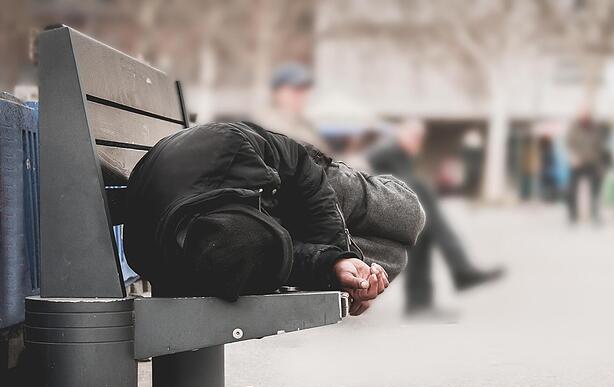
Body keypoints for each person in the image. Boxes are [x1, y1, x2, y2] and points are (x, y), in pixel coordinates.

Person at [124, 121, 391, 315]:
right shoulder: (154, 256)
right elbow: (277, 262)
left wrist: (338, 256)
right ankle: (354, 269)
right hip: (196, 202)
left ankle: (352, 266)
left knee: (403, 219)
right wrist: (334, 267)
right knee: (394, 248)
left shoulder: (235, 150)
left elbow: (300, 163)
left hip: (276, 175)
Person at [260, 62, 426, 282]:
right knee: (407, 216)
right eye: (295, 89)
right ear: (278, 92)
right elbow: (308, 168)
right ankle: (349, 275)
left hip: (315, 203)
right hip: (306, 199)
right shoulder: (270, 123)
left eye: (304, 90)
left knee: (395, 252)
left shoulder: (303, 123)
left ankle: (350, 277)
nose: (302, 95)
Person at [369, 119, 504, 315]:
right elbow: (394, 187)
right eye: (414, 137)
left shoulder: (398, 155)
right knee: (424, 210)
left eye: (420, 139)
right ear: (401, 135)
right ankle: (458, 271)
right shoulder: (388, 153)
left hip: (392, 209)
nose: (417, 143)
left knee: (425, 228)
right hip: (378, 211)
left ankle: (422, 301)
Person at [566, 112, 606, 224]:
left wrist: (600, 165)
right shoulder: (574, 127)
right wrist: (573, 156)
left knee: (595, 190)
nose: (586, 118)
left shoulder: (595, 128)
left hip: (592, 162)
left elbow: (600, 148)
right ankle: (572, 215)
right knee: (571, 190)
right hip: (577, 163)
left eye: (588, 116)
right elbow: (569, 143)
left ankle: (595, 215)